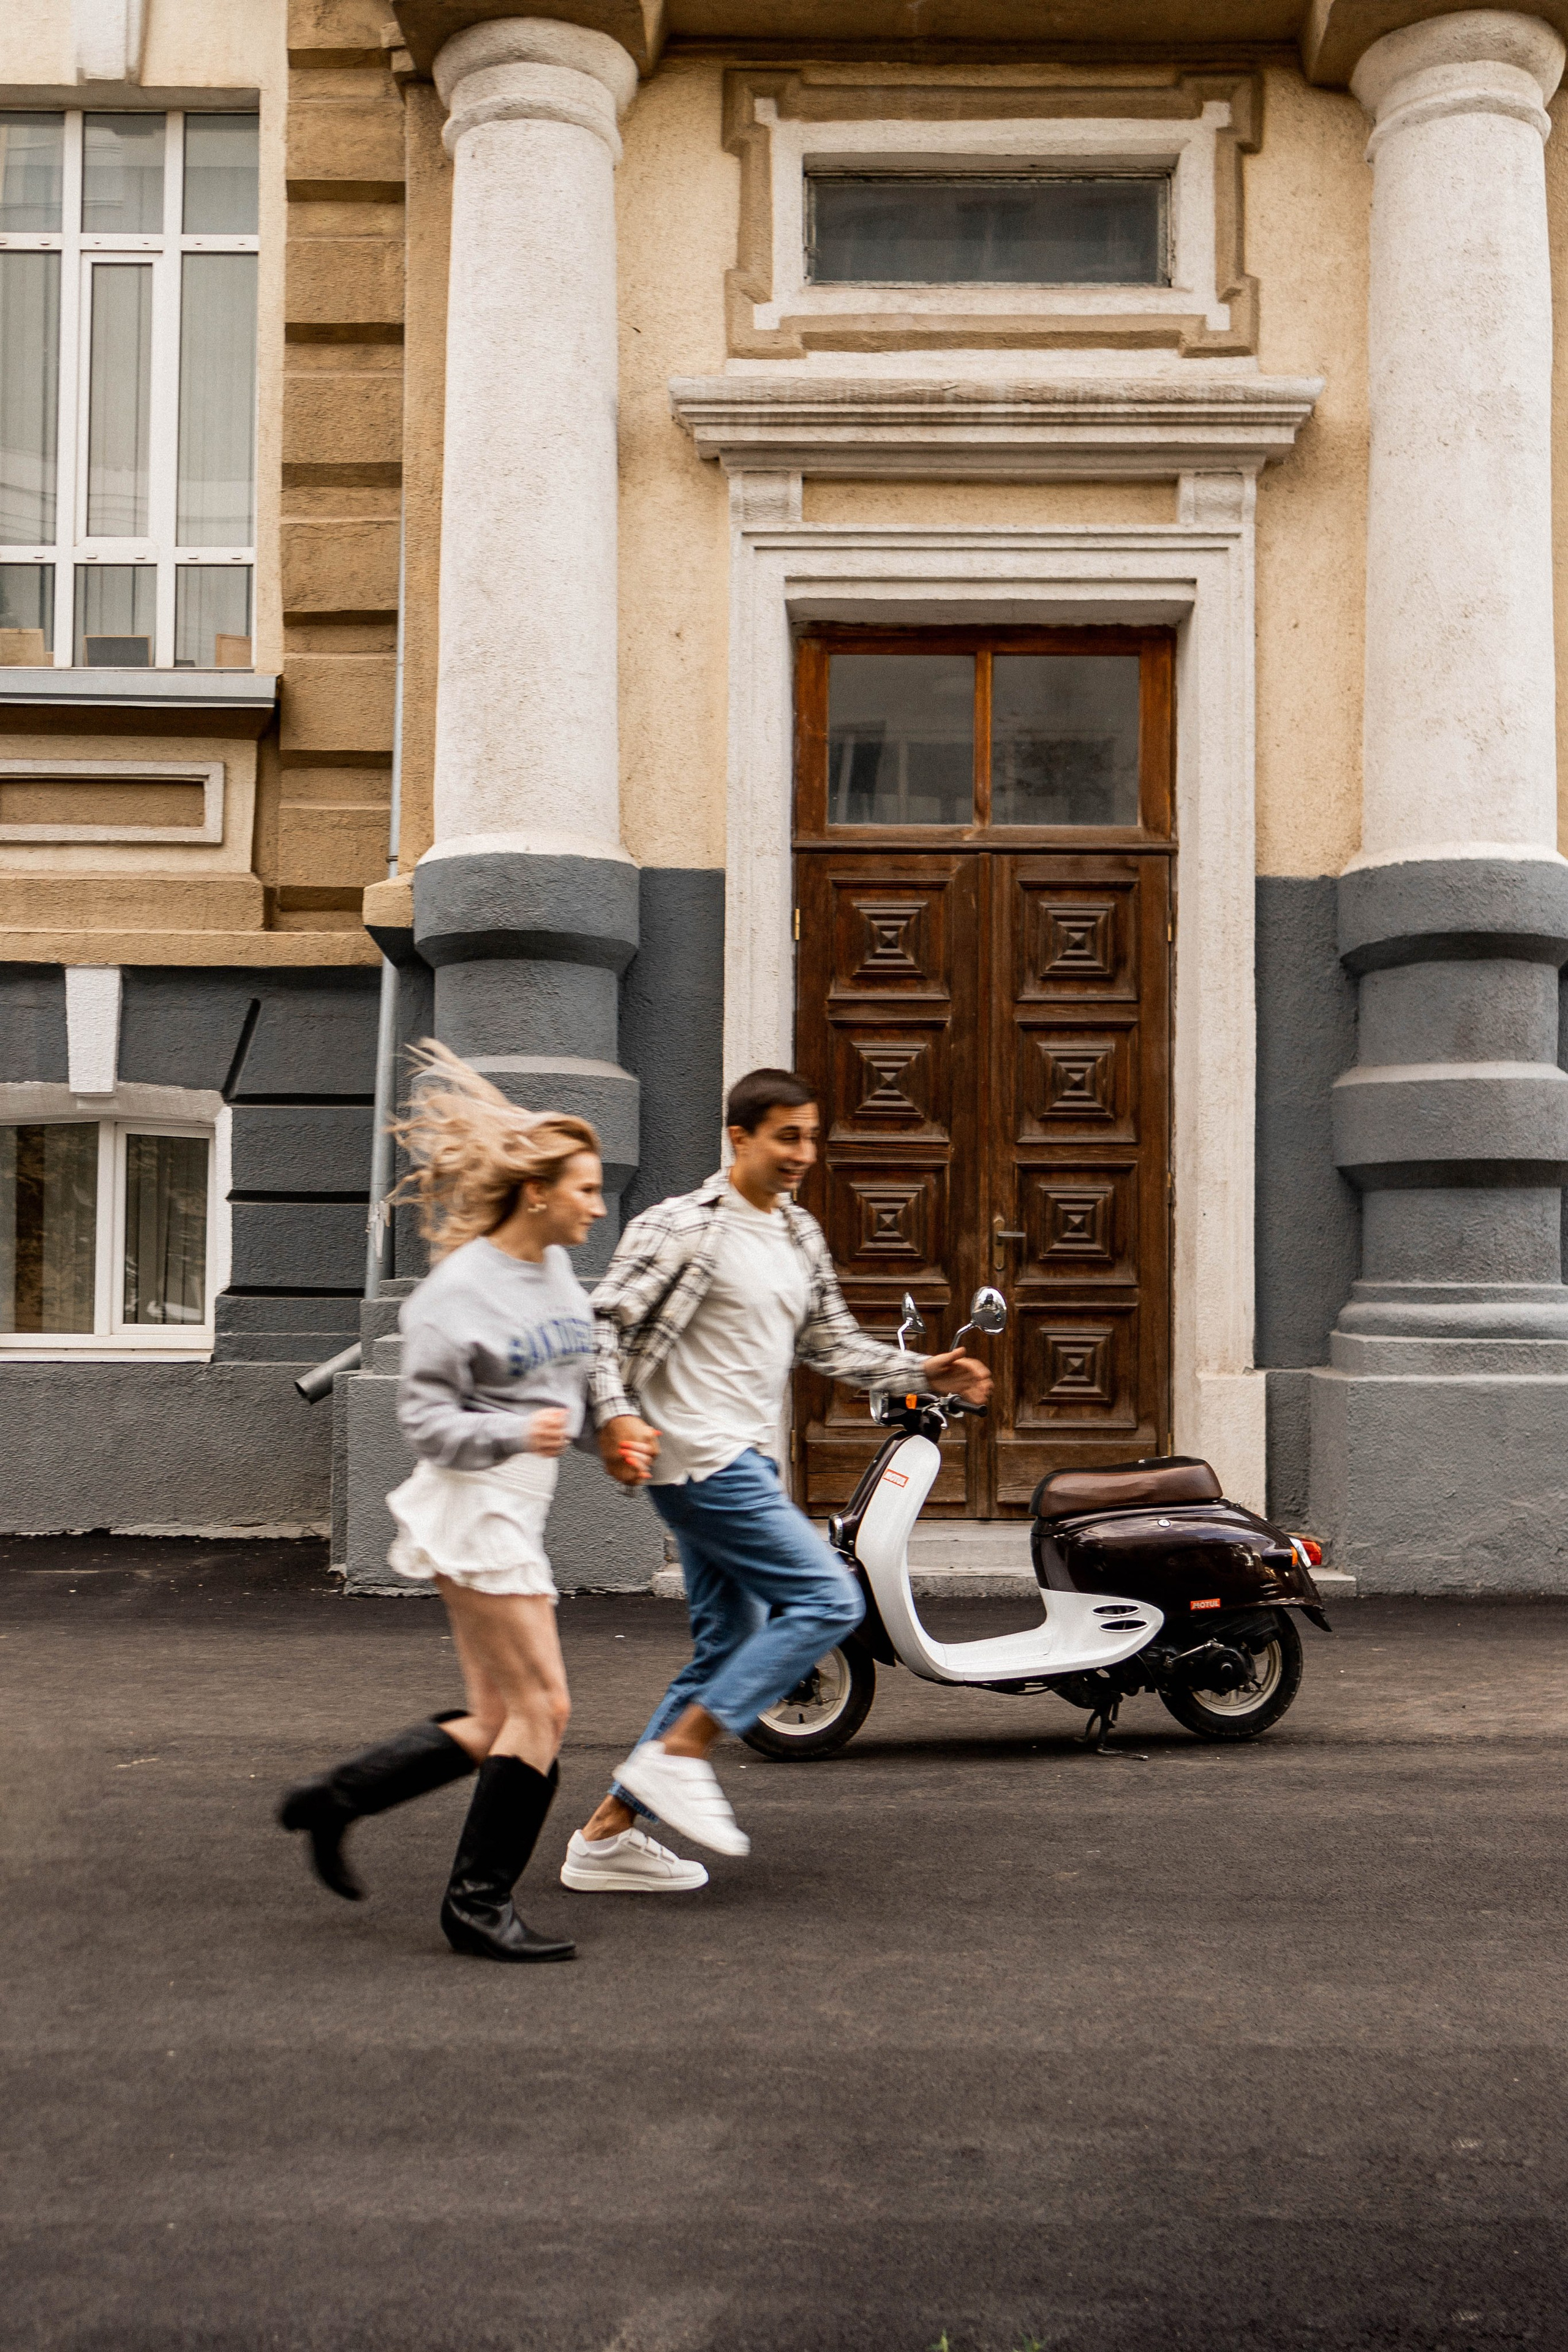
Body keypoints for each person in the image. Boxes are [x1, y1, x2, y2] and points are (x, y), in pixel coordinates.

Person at [277, 1044, 698, 1959]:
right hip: (475, 1504)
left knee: (496, 1720)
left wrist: (611, 1437)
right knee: (547, 1708)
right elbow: (427, 1424)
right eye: (586, 1190)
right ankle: (476, 1905)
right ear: (537, 1193)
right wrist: (516, 1433)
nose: (599, 1206)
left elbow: (562, 1395)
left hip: (514, 1503)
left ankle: (334, 1800)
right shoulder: (454, 1293)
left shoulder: (555, 1274)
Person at [559, 1066, 992, 1880]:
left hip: (745, 1458)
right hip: (698, 1456)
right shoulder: (681, 1225)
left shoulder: (797, 1233)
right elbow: (601, 1327)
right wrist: (616, 1416)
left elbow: (832, 1344)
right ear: (740, 1137)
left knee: (726, 1648)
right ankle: (677, 1756)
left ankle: (604, 1838)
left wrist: (924, 1371)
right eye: (787, 1137)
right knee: (829, 1600)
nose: (803, 1154)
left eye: (811, 1137)